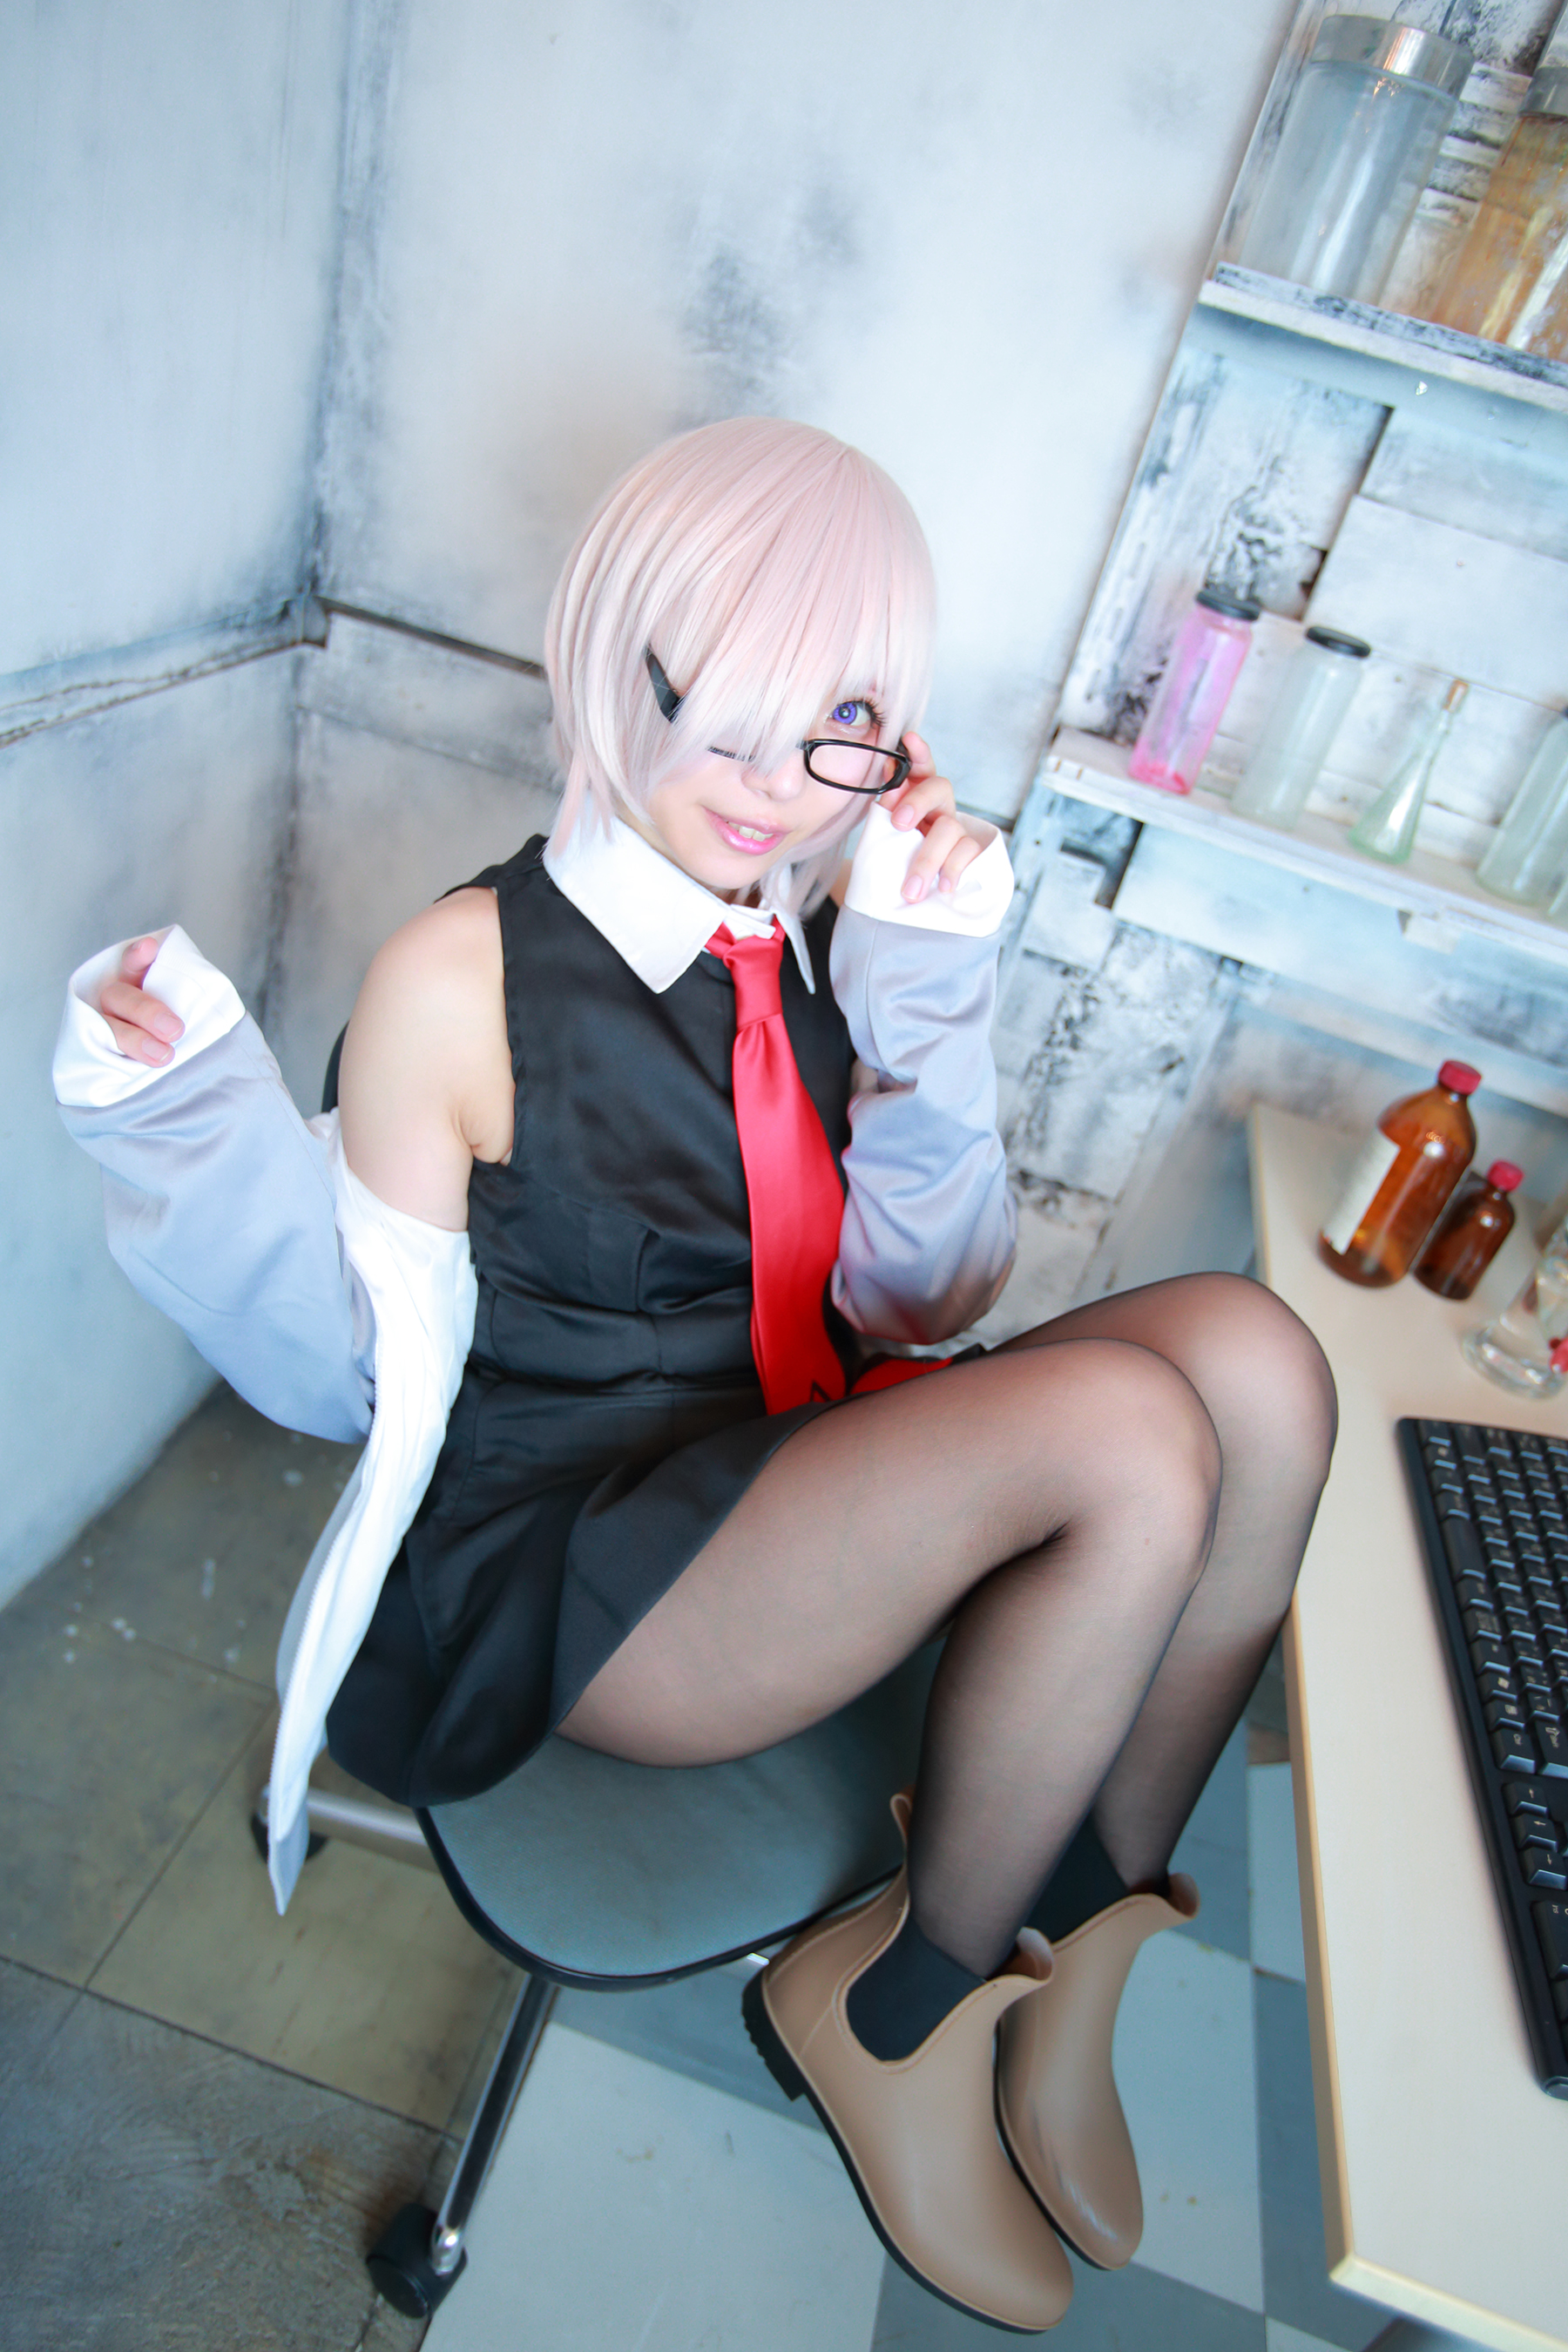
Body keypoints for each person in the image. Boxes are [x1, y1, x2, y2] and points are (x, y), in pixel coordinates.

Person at [56, 416, 1335, 2335]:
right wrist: (183, 1117)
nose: (776, 788)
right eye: (723, 716)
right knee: (1137, 1441)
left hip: (788, 1472)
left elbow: (924, 1294)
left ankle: (1072, 1940)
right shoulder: (460, 977)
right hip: (580, 1573)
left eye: (839, 726)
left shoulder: (801, 931)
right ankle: (898, 2012)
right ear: (613, 656)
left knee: (1261, 1364)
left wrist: (922, 981)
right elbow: (343, 1373)